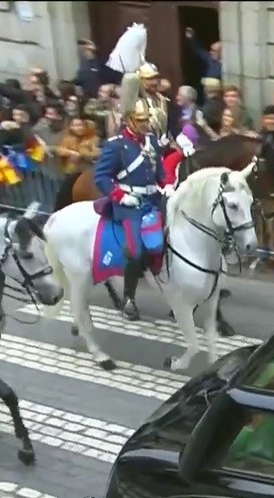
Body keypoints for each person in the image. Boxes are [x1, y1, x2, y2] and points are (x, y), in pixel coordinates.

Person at [93, 69, 166, 322]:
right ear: (130, 121)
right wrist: (120, 195)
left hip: (154, 200)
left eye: (148, 120)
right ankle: (129, 299)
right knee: (135, 252)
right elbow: (101, 177)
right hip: (129, 204)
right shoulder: (116, 146)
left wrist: (168, 185)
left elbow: (161, 172)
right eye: (142, 121)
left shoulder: (152, 142)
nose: (147, 124)